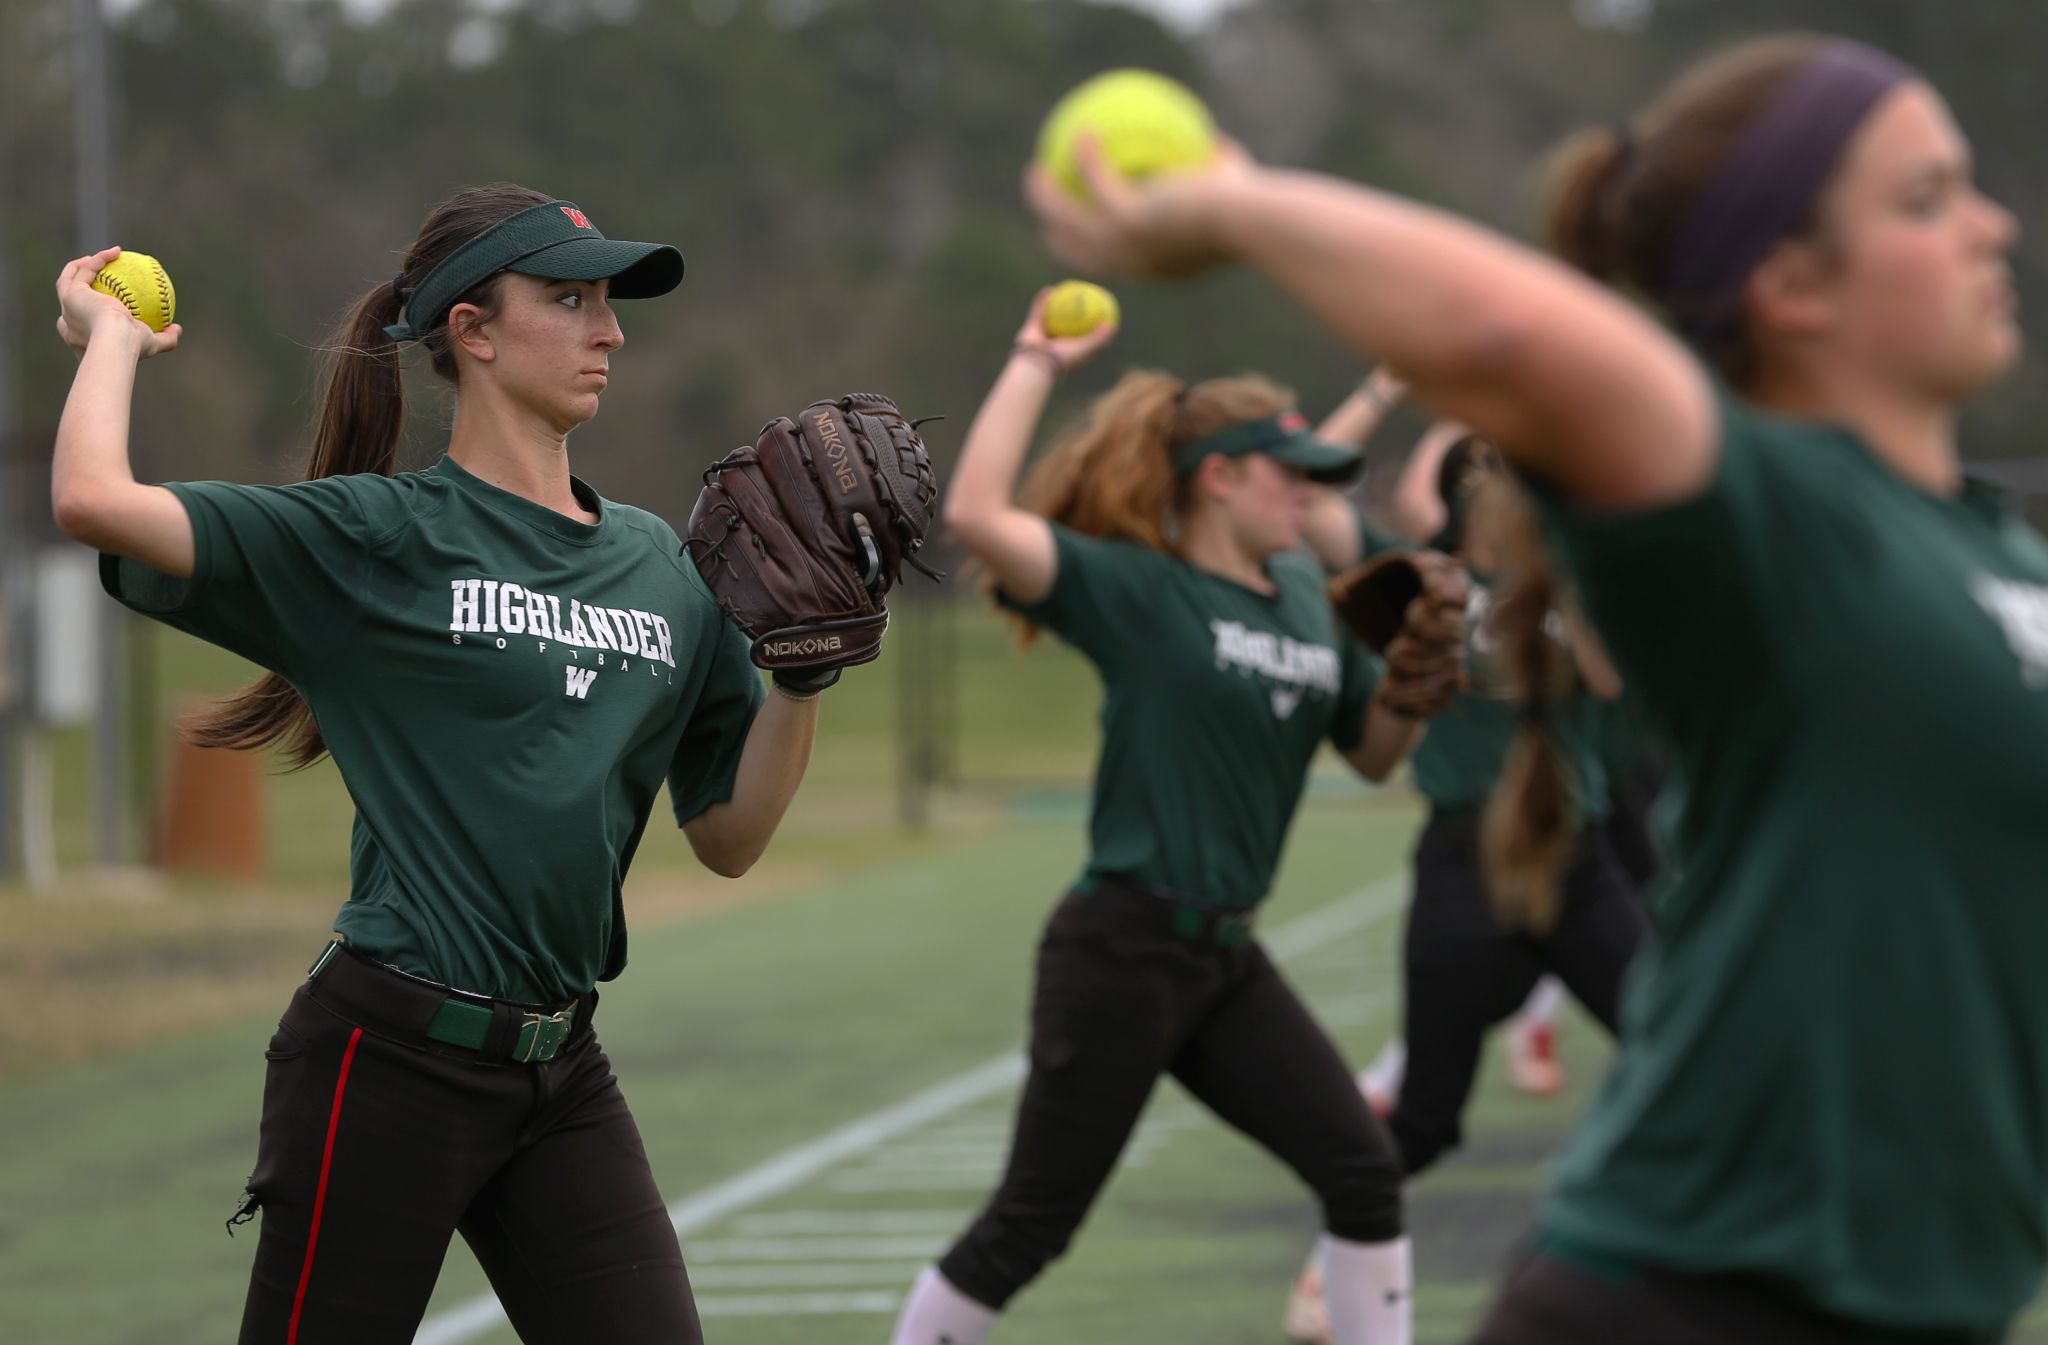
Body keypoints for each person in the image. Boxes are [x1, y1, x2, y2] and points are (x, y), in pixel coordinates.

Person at [1027, 30, 2048, 1343]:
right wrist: (1231, 199)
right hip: (1700, 1303)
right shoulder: (1771, 516)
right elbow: (1508, 330)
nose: (1992, 224)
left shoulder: (1995, 552)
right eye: (1926, 197)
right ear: (1791, 281)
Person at [51, 184, 827, 1345]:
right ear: (472, 330)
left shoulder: (660, 564)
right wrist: (112, 335)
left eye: (607, 303)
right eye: (568, 301)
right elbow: (91, 499)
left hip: (560, 1070)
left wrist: (804, 679)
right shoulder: (377, 538)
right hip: (385, 1065)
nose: (607, 331)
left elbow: (728, 835)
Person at [886, 289, 1429, 1345]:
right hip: (1122, 949)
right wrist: (1034, 358)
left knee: (1363, 1175)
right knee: (1030, 1225)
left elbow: (1372, 754)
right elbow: (978, 518)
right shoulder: (1140, 590)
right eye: (1289, 474)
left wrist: (1412, 679)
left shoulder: (1304, 592)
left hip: (1225, 958)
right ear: (1217, 477)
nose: (1311, 498)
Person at [1283, 431, 1646, 1345]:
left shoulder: (1563, 577)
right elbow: (1315, 506)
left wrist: (1571, 572)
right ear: (1468, 497)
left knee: (1672, 1050)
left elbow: (1609, 679)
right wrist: (1397, 391)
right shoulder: (1418, 577)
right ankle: (1329, 1273)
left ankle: (1672, 1270)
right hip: (1464, 868)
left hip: (1575, 865)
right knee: (1428, 1116)